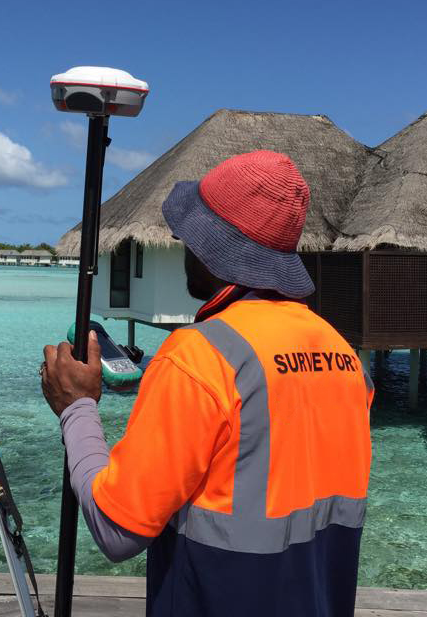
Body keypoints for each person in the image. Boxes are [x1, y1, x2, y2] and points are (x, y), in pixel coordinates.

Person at [41, 150, 374, 617]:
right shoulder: (346, 357)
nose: (182, 243)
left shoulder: (198, 356)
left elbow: (116, 529)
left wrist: (77, 406)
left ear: (214, 249)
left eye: (190, 236)